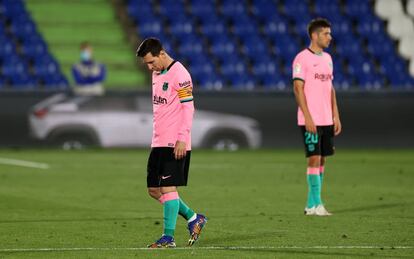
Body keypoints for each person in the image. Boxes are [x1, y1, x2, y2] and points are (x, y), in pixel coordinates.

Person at [136, 38, 207, 248]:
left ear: (161, 53)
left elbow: (188, 108)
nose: (150, 67)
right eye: (147, 64)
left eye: (151, 62)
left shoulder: (181, 74)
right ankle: (194, 217)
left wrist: (182, 139)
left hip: (175, 142)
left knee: (167, 187)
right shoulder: (157, 73)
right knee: (153, 190)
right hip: (158, 141)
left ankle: (168, 237)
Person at [292, 18, 342, 216]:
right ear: (314, 35)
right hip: (310, 119)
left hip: (327, 118)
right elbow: (298, 88)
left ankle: (310, 205)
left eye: (329, 33)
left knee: (322, 160)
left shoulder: (328, 59)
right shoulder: (302, 59)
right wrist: (308, 117)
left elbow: (330, 89)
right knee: (314, 158)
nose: (330, 37)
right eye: (326, 33)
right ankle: (318, 204)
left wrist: (336, 115)